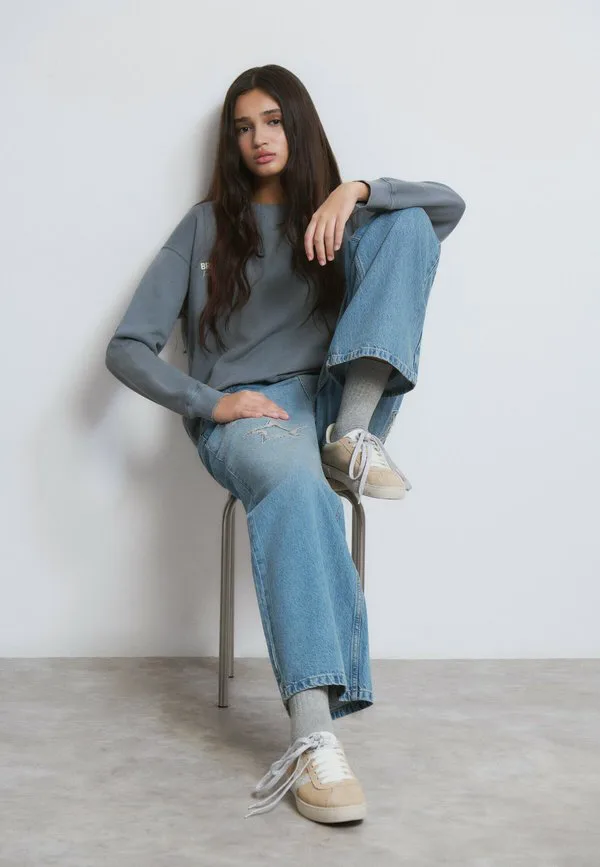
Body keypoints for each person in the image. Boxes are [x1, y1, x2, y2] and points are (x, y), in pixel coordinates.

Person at [105, 63, 466, 824]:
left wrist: (355, 190)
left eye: (272, 120)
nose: (258, 138)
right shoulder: (205, 227)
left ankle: (353, 432)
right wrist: (211, 401)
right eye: (243, 127)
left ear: (297, 125)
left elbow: (447, 208)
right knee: (300, 489)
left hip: (329, 399)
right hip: (251, 413)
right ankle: (313, 739)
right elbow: (128, 347)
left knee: (405, 223)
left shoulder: (337, 218)